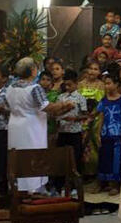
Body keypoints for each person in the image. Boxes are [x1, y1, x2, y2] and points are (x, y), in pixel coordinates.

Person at [7, 58, 74, 191]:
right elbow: (47, 107)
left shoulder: (10, 87)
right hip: (32, 127)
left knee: (18, 157)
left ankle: (16, 188)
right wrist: (64, 104)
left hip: (15, 125)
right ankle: (33, 190)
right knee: (33, 157)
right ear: (32, 71)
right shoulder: (34, 88)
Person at [95, 73, 121, 195]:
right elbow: (101, 117)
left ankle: (115, 185)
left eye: (109, 83)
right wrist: (97, 133)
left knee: (116, 159)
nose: (106, 86)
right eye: (105, 84)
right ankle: (102, 183)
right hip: (105, 133)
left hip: (117, 134)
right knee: (103, 157)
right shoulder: (104, 100)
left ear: (116, 84)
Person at [57, 70, 88, 175]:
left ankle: (75, 184)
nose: (67, 88)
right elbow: (56, 113)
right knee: (61, 157)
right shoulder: (61, 97)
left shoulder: (80, 98)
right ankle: (60, 184)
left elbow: (85, 115)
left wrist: (75, 119)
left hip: (75, 131)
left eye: (70, 85)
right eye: (65, 85)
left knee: (76, 157)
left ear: (76, 84)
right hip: (62, 131)